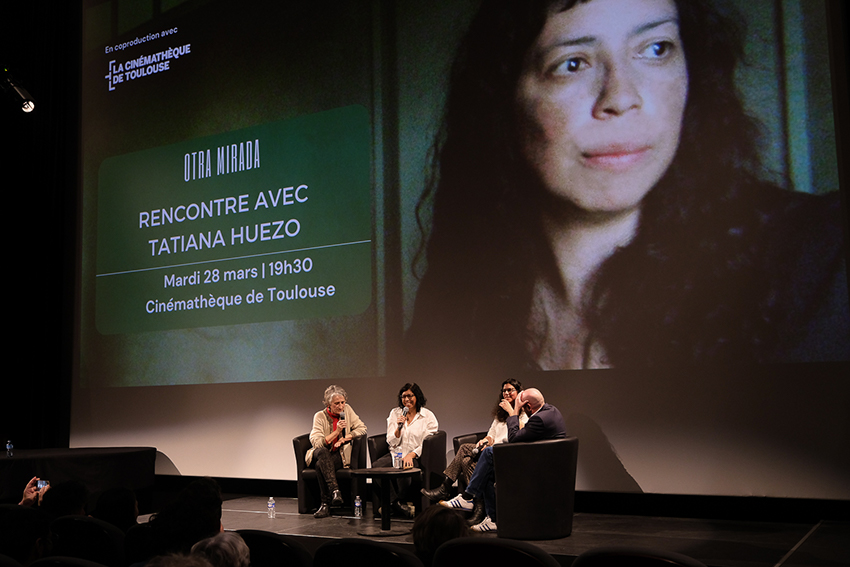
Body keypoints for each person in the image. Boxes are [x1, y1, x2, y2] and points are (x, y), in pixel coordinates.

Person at [405, 0, 849, 374]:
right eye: (572, 64)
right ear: (504, 99)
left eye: (656, 49)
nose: (621, 97)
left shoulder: (819, 258)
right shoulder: (457, 308)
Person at [441, 388, 566, 532]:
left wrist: (514, 412)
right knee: (486, 465)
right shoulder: (550, 410)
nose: (507, 394)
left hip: (537, 465)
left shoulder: (538, 418)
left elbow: (514, 438)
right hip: (537, 458)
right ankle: (490, 518)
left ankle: (468, 497)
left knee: (489, 453)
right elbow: (499, 435)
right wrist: (487, 440)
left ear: (528, 406)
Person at [421, 378, 528, 524]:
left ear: (519, 392)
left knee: (465, 451)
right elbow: (492, 435)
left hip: (505, 455)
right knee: (466, 460)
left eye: (510, 390)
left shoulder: (524, 414)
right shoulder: (500, 415)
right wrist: (485, 441)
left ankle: (450, 490)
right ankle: (476, 506)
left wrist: (511, 411)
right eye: (504, 390)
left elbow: (519, 433)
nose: (506, 393)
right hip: (491, 453)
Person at [371, 382, 439, 518]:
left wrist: (411, 455)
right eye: (404, 396)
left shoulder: (427, 416)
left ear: (417, 397)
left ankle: (395, 505)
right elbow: (391, 441)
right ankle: (397, 504)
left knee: (405, 470)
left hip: (416, 456)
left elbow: (427, 443)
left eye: (410, 396)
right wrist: (398, 428)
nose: (407, 399)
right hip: (396, 454)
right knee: (376, 467)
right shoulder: (395, 413)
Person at [304, 384, 368, 518]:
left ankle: (325, 504)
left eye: (342, 402)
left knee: (320, 465)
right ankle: (335, 490)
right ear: (328, 404)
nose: (341, 406)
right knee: (322, 453)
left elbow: (362, 428)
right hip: (320, 452)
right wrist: (337, 432)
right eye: (336, 404)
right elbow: (317, 442)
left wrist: (345, 438)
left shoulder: (347, 410)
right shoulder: (320, 416)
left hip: (338, 455)